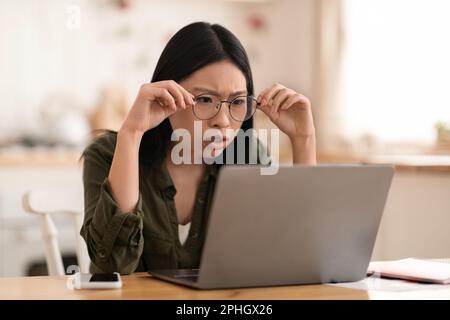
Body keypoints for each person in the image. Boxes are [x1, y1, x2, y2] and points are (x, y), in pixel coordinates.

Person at [80, 22, 316, 274]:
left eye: (236, 102)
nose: (222, 121)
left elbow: (294, 256)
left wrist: (304, 139)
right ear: (166, 93)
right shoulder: (107, 154)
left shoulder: (249, 156)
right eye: (204, 99)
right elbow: (111, 265)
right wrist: (132, 133)